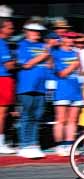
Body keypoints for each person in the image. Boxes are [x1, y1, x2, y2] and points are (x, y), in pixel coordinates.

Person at [16, 22, 50, 158]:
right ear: (27, 32)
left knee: (37, 117)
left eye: (38, 32)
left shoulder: (43, 46)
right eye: (34, 31)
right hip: (27, 86)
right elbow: (26, 64)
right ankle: (24, 145)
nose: (37, 34)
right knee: (27, 116)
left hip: (41, 87)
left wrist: (48, 55)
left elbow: (49, 64)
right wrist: (45, 54)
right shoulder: (23, 45)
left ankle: (34, 144)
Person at [52, 31, 84, 156]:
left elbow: (80, 73)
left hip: (76, 90)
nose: (72, 41)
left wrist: (79, 62)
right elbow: (62, 73)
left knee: (73, 120)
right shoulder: (57, 54)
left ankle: (70, 144)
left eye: (73, 38)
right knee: (61, 120)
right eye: (69, 38)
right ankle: (59, 146)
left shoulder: (76, 53)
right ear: (63, 39)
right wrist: (74, 64)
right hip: (62, 90)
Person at [0, 17, 16, 154]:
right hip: (3, 79)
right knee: (1, 113)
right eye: (9, 28)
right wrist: (18, 62)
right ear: (2, 29)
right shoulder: (2, 44)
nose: (12, 30)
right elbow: (9, 65)